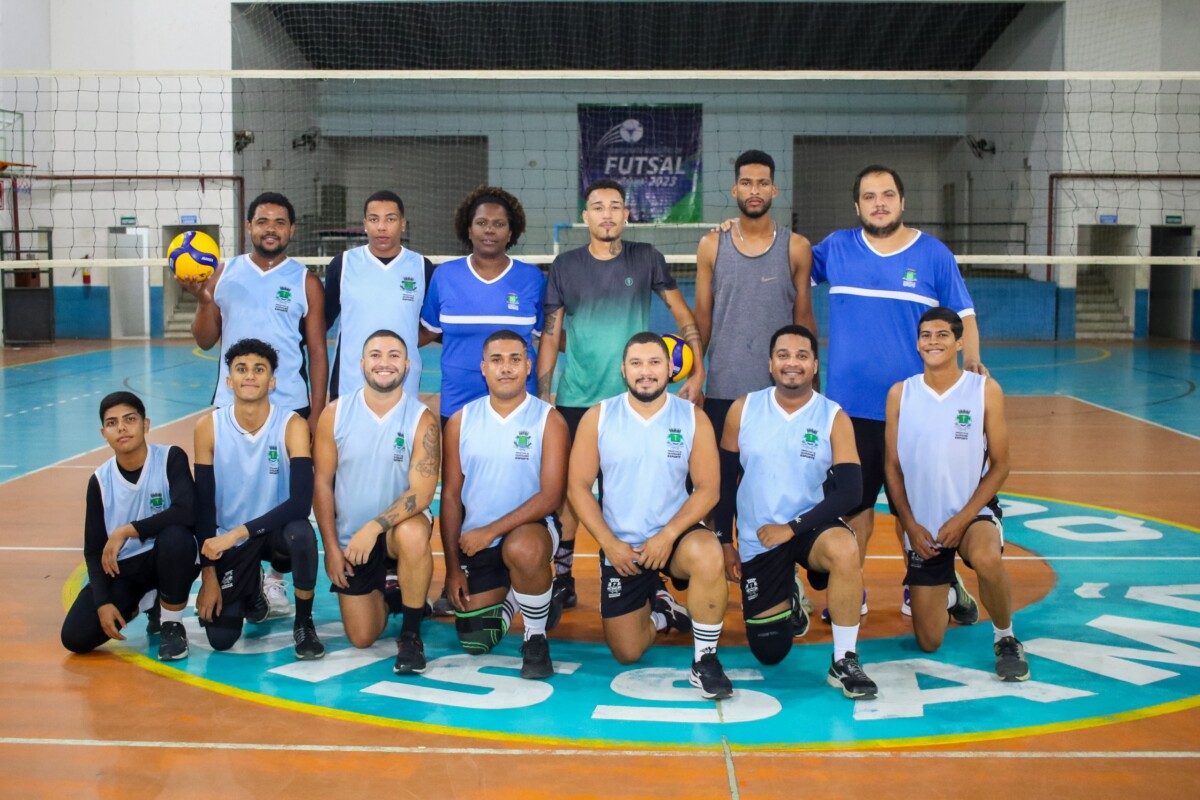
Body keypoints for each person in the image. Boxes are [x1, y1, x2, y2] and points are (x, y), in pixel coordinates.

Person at [811, 165, 986, 618]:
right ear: (857, 206)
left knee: (920, 504)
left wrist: (971, 366)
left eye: (887, 194)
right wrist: (738, 231)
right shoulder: (836, 248)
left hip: (919, 409)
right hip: (852, 409)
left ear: (902, 201)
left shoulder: (933, 254)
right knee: (856, 504)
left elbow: (963, 315)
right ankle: (851, 587)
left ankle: (923, 582)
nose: (879, 203)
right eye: (869, 196)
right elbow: (784, 261)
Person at [538, 178, 708, 610]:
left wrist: (698, 366)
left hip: (639, 403)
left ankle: (655, 579)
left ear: (627, 215)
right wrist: (543, 394)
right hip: (579, 399)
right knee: (569, 496)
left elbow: (681, 313)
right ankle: (562, 576)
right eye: (598, 207)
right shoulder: (565, 265)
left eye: (616, 207)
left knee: (649, 490)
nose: (607, 214)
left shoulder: (646, 257)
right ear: (586, 217)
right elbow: (551, 334)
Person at [179, 191, 328, 617]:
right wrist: (205, 301)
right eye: (263, 221)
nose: (271, 229)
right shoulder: (223, 273)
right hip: (232, 406)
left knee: (285, 493)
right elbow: (206, 339)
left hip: (289, 408)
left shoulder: (305, 281)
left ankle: (276, 577)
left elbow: (317, 351)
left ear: (292, 230)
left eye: (280, 222)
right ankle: (234, 567)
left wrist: (317, 411)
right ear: (248, 227)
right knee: (231, 491)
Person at [715, 326, 877, 699]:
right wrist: (725, 541)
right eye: (784, 355)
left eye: (802, 356)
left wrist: (793, 527)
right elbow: (724, 482)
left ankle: (844, 659)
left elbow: (851, 491)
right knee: (770, 652)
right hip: (761, 538)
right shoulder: (744, 409)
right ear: (770, 364)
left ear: (815, 365)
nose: (792, 363)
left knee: (845, 549)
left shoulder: (832, 416)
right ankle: (787, 591)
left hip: (809, 528)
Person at [568, 332, 732, 700]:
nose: (646, 372)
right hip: (622, 545)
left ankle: (705, 660)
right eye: (637, 364)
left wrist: (668, 535)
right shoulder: (600, 416)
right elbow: (577, 487)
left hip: (675, 540)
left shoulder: (692, 418)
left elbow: (708, 489)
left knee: (709, 553)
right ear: (623, 370)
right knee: (627, 652)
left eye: (655, 363)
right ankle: (662, 611)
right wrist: (609, 544)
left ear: (670, 369)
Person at [885, 307, 1028, 681]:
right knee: (929, 641)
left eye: (942, 335)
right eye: (926, 335)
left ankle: (1006, 638)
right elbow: (891, 468)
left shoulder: (984, 390)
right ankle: (954, 594)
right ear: (917, 343)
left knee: (985, 557)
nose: (933, 342)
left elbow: (1001, 464)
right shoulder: (902, 394)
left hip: (970, 516)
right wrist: (910, 526)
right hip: (923, 526)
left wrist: (963, 518)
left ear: (960, 342)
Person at [440, 330, 570, 679]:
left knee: (524, 549)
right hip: (478, 542)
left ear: (528, 366)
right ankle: (527, 594)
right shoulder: (460, 422)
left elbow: (551, 497)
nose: (506, 368)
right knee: (476, 640)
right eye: (497, 360)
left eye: (515, 359)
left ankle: (536, 637)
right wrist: (453, 568)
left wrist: (492, 530)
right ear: (484, 368)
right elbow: (451, 497)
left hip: (530, 532)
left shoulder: (548, 420)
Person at [313, 329, 440, 672]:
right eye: (376, 355)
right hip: (351, 541)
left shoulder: (421, 419)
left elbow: (422, 493)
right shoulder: (335, 414)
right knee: (362, 636)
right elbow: (322, 484)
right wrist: (331, 549)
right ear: (361, 363)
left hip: (395, 532)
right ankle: (396, 594)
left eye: (394, 355)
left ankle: (411, 636)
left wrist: (374, 526)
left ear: (409, 365)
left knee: (414, 534)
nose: (385, 363)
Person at [193, 338, 324, 660]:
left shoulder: (291, 425)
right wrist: (208, 574)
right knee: (221, 638)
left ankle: (304, 622)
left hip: (273, 534)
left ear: (272, 380)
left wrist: (239, 533)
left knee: (302, 533)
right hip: (228, 539)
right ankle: (251, 589)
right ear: (229, 380)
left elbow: (300, 503)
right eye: (241, 369)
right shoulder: (208, 427)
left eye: (259, 369)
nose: (250, 375)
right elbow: (204, 505)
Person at [61, 392, 199, 662]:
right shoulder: (99, 481)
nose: (121, 428)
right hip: (126, 571)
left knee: (176, 538)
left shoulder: (170, 458)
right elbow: (93, 550)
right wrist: (102, 603)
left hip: (167, 557)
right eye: (112, 423)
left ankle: (171, 623)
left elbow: (188, 512)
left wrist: (127, 530)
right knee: (75, 637)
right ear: (104, 433)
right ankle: (143, 602)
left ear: (145, 424)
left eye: (129, 419)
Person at [420, 186, 544, 425]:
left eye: (499, 224)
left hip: (519, 404)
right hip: (458, 406)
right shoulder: (445, 276)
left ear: (511, 233)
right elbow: (427, 332)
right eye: (481, 222)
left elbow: (549, 337)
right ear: (468, 229)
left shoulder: (532, 278)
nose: (489, 229)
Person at [325, 190, 436, 401]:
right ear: (364, 223)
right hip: (350, 384)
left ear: (403, 223)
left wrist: (402, 343)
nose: (382, 227)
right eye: (374, 219)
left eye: (390, 219)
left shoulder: (422, 268)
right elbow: (322, 321)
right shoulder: (343, 265)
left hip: (403, 384)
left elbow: (431, 327)